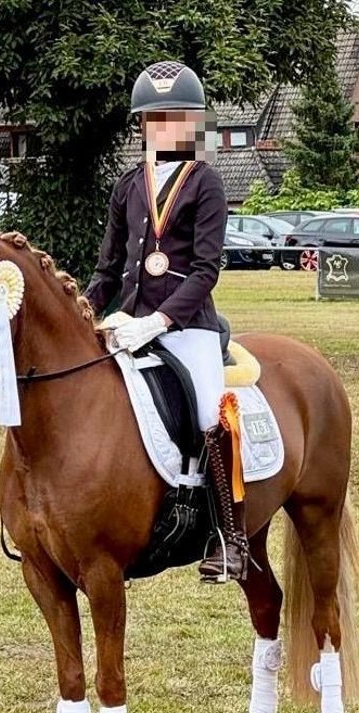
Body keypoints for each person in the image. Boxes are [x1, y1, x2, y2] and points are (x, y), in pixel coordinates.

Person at [83, 61, 248, 583]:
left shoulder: (208, 184)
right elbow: (108, 268)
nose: (165, 129)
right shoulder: (129, 185)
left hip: (188, 325)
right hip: (126, 322)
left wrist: (158, 321)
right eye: (155, 121)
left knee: (207, 414)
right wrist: (84, 312)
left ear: (193, 125)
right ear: (143, 127)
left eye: (176, 119)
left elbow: (205, 271)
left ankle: (230, 537)